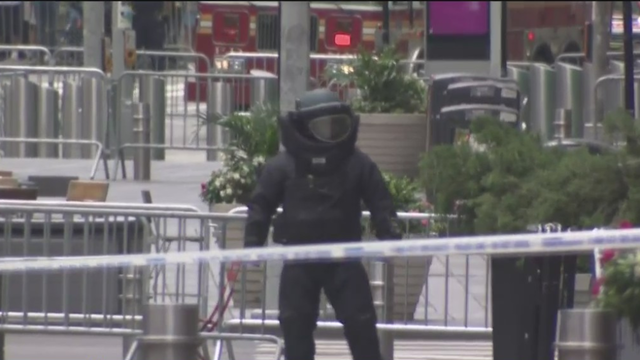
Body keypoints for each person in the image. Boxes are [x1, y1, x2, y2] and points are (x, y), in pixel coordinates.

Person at [243, 88, 401, 360]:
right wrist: (252, 244)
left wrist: (390, 234)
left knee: (361, 323)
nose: (331, 133)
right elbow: (261, 204)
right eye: (323, 127)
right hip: (300, 259)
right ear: (304, 128)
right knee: (295, 325)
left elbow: (380, 201)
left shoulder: (356, 163)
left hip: (344, 259)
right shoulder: (285, 165)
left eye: (337, 126)